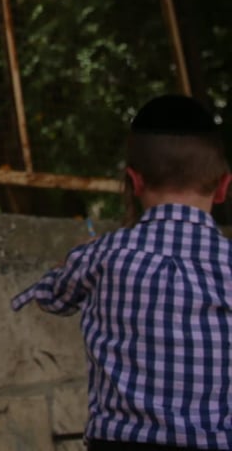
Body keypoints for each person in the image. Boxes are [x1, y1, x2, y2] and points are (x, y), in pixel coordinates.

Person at [12, 94, 232, 450]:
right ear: (223, 187)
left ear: (134, 180)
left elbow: (50, 298)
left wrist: (67, 265)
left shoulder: (103, 255)